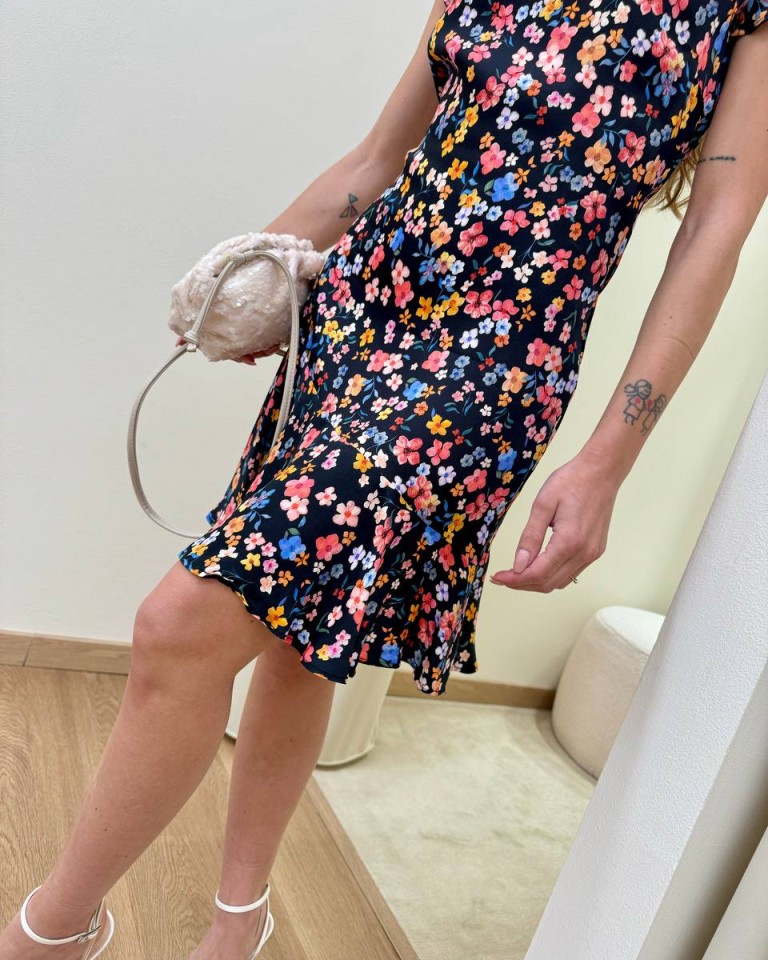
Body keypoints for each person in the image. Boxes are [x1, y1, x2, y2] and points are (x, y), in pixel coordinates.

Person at [2, 1, 766, 957]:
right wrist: (243, 275)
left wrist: (608, 459)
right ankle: (239, 923)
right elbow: (375, 163)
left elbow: (715, 230)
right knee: (302, 634)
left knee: (178, 625)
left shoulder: (738, 15)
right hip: (358, 319)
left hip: (488, 373)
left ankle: (51, 932)